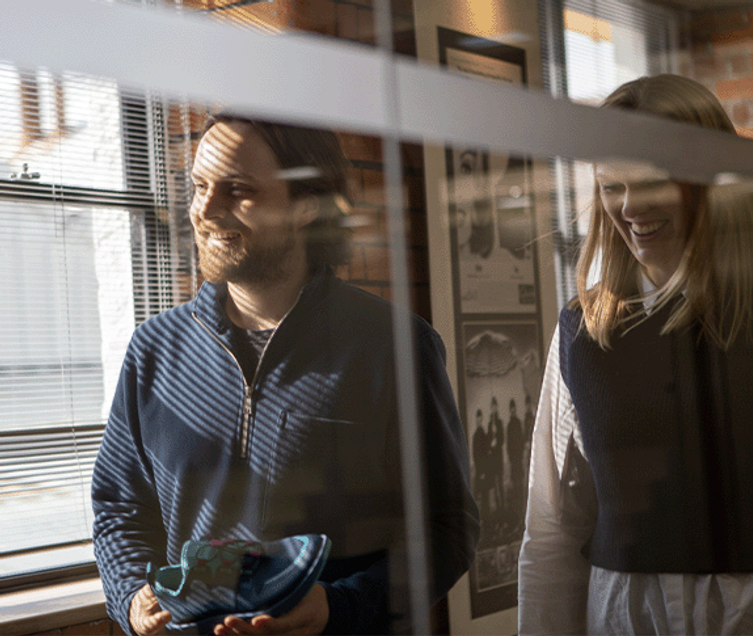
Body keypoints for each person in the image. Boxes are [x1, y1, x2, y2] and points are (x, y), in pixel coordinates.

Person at [92, 114, 480, 636]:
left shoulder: (395, 348)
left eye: (237, 190)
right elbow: (119, 504)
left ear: (307, 207)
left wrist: (338, 607)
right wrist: (132, 597)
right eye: (200, 187)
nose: (204, 211)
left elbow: (448, 529)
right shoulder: (155, 349)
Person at [518, 73, 753, 635]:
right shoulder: (583, 332)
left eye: (651, 182)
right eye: (611, 185)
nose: (629, 208)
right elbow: (554, 532)